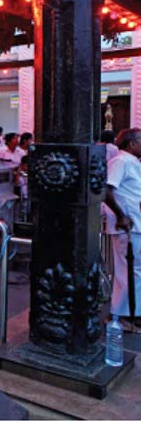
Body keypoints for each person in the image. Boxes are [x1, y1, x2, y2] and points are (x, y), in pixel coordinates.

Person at [103, 128, 141, 331]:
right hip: (127, 225)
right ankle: (121, 315)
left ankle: (133, 312)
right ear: (132, 144)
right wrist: (121, 215)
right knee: (128, 271)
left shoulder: (133, 162)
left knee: (136, 271)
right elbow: (107, 190)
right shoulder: (121, 161)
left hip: (137, 223)